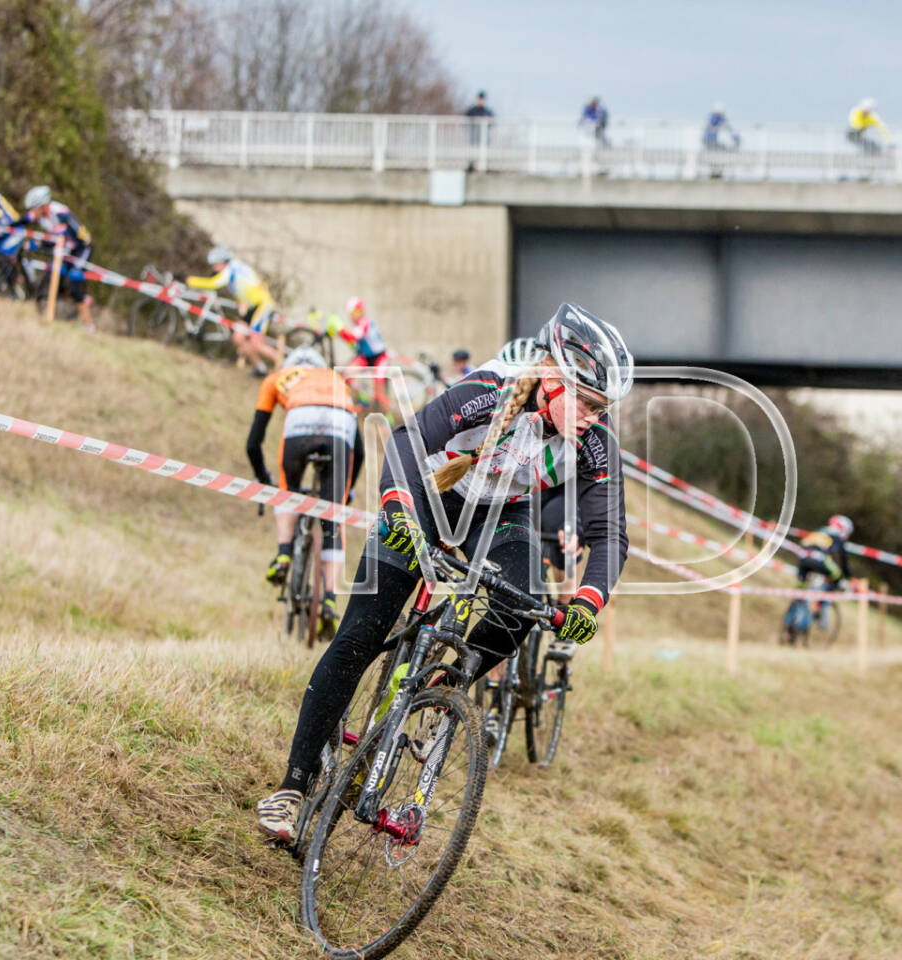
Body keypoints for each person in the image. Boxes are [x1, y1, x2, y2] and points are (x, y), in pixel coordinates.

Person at [256, 302, 634, 841]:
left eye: (605, 408)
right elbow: (409, 439)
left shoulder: (595, 440)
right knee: (361, 634)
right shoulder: (491, 388)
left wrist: (589, 600)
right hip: (429, 496)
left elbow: (610, 532)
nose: (597, 418)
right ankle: (291, 788)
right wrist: (395, 506)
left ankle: (439, 683)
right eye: (590, 403)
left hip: (502, 513)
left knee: (523, 602)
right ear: (552, 377)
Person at [249, 345, 363, 637]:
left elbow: (253, 443)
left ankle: (284, 553)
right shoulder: (334, 378)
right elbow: (359, 452)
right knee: (332, 521)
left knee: (287, 492)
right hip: (341, 425)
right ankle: (328, 599)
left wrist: (265, 480)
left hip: (300, 420)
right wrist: (346, 493)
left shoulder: (277, 378)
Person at [186, 246, 282, 377]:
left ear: (222, 262)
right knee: (238, 337)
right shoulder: (235, 267)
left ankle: (287, 365)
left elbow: (214, 284)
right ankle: (260, 368)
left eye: (215, 265)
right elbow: (248, 287)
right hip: (251, 306)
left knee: (256, 343)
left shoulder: (231, 269)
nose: (214, 268)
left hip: (262, 306)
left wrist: (189, 280)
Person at [20, 185, 94, 331]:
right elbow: (21, 222)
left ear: (43, 206)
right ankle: (51, 314)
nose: (32, 213)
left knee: (74, 281)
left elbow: (81, 237)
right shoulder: (40, 216)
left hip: (81, 249)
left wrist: (45, 243)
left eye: (34, 209)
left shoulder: (61, 213)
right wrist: (36, 244)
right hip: (63, 250)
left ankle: (89, 324)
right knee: (54, 275)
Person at [328, 297, 392, 415]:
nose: (354, 316)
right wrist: (336, 332)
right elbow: (352, 341)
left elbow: (352, 337)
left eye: (357, 312)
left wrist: (339, 328)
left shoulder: (365, 322)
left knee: (379, 391)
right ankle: (363, 399)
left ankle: (388, 418)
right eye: (352, 313)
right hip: (365, 357)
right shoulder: (356, 324)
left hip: (379, 357)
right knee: (345, 375)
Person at [794, 514, 855, 591]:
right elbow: (843, 560)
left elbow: (804, 543)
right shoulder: (837, 536)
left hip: (802, 558)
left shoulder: (820, 530)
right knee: (837, 575)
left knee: (801, 585)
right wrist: (849, 577)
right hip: (818, 559)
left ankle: (798, 599)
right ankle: (822, 601)